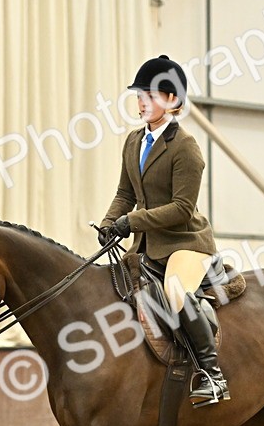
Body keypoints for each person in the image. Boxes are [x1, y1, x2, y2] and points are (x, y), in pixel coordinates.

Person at [98, 55, 229, 406]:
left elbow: (181, 209)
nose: (141, 102)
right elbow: (125, 193)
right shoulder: (132, 142)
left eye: (150, 95)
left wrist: (133, 222)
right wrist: (111, 222)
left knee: (174, 291)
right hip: (147, 243)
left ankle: (212, 375)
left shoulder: (185, 148)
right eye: (139, 94)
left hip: (185, 242)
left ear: (172, 101)